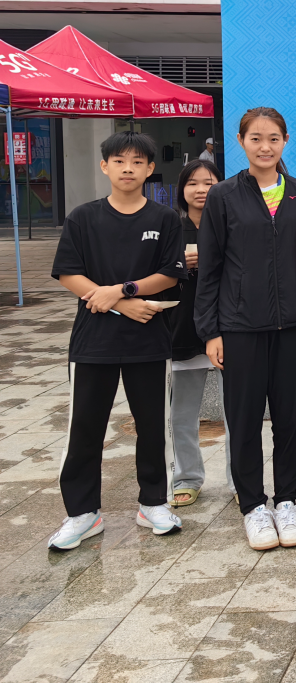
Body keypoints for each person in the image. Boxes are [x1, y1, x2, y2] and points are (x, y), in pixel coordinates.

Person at [47, 131, 187, 551]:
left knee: (153, 427)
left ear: (150, 169)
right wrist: (120, 304)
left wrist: (122, 291)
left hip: (149, 341)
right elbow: (69, 273)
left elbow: (171, 274)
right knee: (85, 429)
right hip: (93, 341)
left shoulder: (164, 219)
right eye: (120, 161)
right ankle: (83, 513)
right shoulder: (83, 218)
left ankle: (154, 503)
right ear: (104, 166)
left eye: (137, 161)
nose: (128, 168)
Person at [195, 107, 296, 552]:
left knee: (290, 420)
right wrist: (211, 331)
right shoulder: (223, 196)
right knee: (244, 421)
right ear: (241, 141)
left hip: (292, 327)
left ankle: (286, 501)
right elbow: (210, 268)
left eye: (273, 139)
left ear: (286, 141)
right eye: (256, 138)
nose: (265, 147)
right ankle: (253, 506)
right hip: (240, 327)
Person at [168, 158, 231, 510]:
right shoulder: (170, 228)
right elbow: (151, 271)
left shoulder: (230, 224)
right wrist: (180, 262)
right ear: (182, 190)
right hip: (182, 329)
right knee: (182, 414)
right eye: (192, 183)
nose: (201, 190)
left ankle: (240, 479)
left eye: (209, 182)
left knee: (236, 411)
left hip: (226, 330)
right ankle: (187, 478)